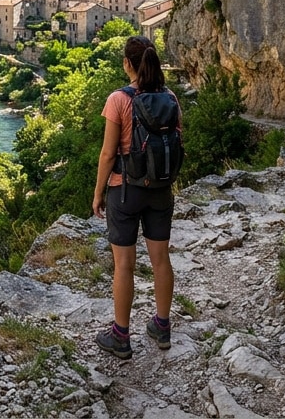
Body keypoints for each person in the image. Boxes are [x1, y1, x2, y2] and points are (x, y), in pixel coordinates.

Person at [92, 35, 178, 359]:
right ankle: (162, 326)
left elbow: (107, 153)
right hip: (160, 190)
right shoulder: (170, 97)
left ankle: (121, 337)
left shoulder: (118, 99)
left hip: (125, 190)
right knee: (160, 260)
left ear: (128, 64)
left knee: (124, 265)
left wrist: (98, 193)